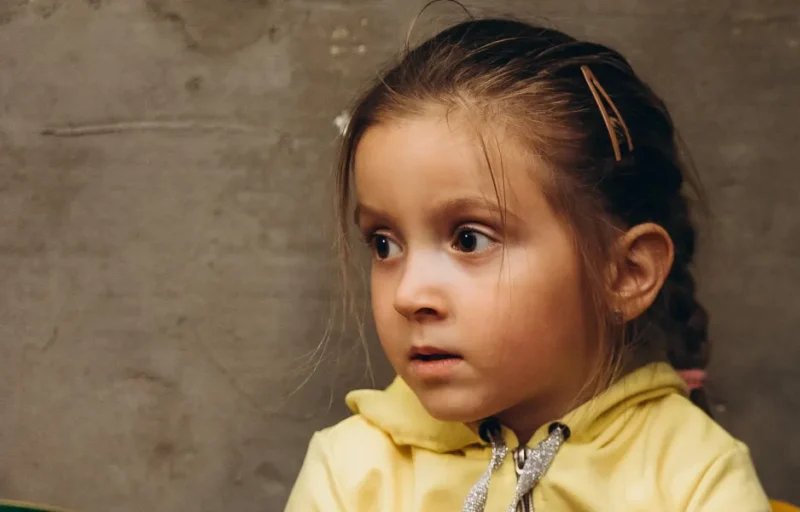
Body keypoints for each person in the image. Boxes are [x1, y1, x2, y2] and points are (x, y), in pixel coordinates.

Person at [285, 16, 773, 511]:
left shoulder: (694, 475)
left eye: (469, 239)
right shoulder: (349, 473)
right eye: (385, 244)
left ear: (626, 273)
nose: (409, 295)